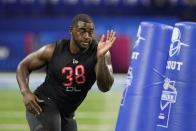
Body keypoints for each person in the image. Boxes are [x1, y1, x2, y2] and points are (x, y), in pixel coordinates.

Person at [16, 13, 116, 131]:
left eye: (90, 32)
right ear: (71, 30)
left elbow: (105, 87)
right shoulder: (53, 50)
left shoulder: (99, 52)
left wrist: (100, 58)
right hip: (43, 104)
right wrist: (25, 92)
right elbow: (23, 65)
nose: (87, 36)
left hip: (67, 114)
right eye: (82, 31)